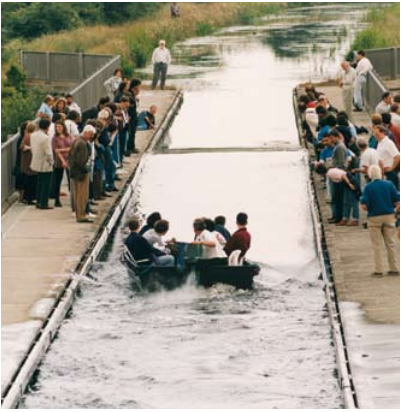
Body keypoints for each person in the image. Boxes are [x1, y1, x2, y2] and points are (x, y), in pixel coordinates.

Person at [360, 165, 400, 276]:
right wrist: (394, 212)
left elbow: (364, 205)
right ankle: (394, 268)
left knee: (376, 245)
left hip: (374, 217)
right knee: (390, 243)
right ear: (381, 174)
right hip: (388, 215)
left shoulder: (368, 187)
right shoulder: (389, 184)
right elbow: (398, 200)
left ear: (370, 175)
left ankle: (378, 270)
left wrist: (368, 208)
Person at [69, 125, 96, 223]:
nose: (92, 137)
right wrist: (86, 170)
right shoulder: (82, 143)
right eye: (91, 135)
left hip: (74, 171)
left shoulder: (76, 140)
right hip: (81, 173)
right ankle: (81, 216)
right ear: (87, 133)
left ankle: (79, 214)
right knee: (82, 195)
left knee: (77, 194)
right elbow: (82, 161)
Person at [30, 118, 54, 210]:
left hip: (36, 160)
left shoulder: (33, 135)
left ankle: (39, 201)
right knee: (46, 184)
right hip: (45, 163)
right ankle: (44, 203)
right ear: (47, 127)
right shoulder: (45, 137)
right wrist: (51, 161)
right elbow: (48, 152)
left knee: (39, 182)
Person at [51, 121, 72, 208]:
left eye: (60, 126)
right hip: (59, 161)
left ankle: (72, 199)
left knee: (71, 180)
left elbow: (72, 147)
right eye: (57, 127)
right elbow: (56, 151)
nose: (58, 128)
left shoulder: (68, 136)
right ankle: (57, 199)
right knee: (57, 181)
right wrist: (63, 161)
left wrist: (62, 150)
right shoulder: (54, 138)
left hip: (69, 160)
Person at [374, 125, 400, 190]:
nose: (375, 135)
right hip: (382, 171)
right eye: (374, 134)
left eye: (377, 134)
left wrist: (391, 168)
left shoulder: (388, 143)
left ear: (382, 132)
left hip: (389, 172)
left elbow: (397, 156)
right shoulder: (379, 143)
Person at [20, 122, 38, 205]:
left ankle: (27, 197)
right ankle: (30, 198)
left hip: (26, 162)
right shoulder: (30, 137)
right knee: (31, 181)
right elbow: (23, 147)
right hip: (30, 162)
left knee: (28, 180)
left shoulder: (26, 136)